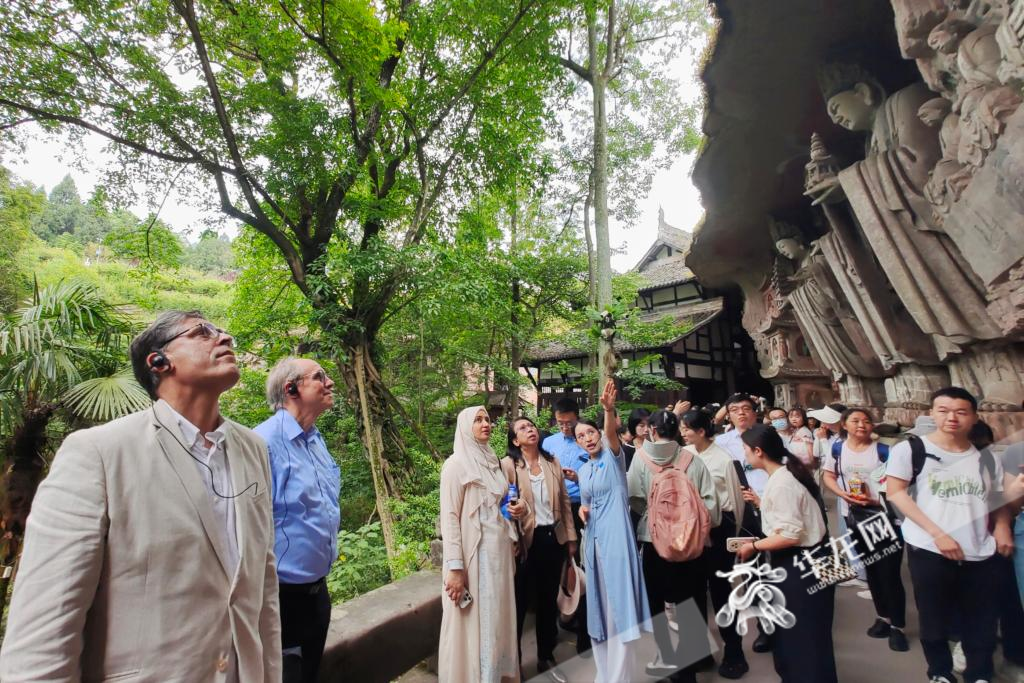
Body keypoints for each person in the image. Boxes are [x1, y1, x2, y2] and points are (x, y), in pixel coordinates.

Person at [0, 310, 281, 681]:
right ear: (158, 362)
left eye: (224, 331)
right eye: (202, 332)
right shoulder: (99, 452)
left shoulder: (253, 448)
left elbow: (263, 583)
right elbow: (44, 628)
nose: (225, 337)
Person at [886, 387, 1014, 683]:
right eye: (943, 410)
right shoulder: (911, 450)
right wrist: (938, 534)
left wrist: (1002, 525)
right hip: (929, 547)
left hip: (979, 548)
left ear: (973, 417)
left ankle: (979, 674)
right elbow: (896, 493)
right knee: (934, 617)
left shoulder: (987, 458)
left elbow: (997, 501)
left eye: (961, 411)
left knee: (981, 618)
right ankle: (940, 672)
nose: (951, 418)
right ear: (932, 413)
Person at [254, 357, 341, 683]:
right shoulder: (262, 443)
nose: (330, 382)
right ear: (291, 389)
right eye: (320, 377)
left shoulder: (316, 439)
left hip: (317, 594)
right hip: (280, 600)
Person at [736, 425, 838, 683]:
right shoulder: (784, 475)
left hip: (804, 562)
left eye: (746, 450)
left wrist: (754, 546)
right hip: (817, 556)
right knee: (810, 635)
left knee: (803, 638)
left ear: (758, 451)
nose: (744, 455)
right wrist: (761, 504)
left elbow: (790, 535)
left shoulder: (782, 482)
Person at [628, 409, 719, 682]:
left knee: (657, 603)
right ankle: (689, 667)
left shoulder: (640, 459)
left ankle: (665, 657)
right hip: (691, 545)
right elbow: (712, 509)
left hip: (654, 544)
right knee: (690, 603)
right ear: (678, 431)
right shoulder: (693, 460)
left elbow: (634, 498)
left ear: (652, 431)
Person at [577, 380, 652, 682]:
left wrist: (608, 410)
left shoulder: (613, 458)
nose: (587, 438)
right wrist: (583, 510)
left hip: (617, 542)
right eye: (581, 436)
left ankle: (620, 677)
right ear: (578, 443)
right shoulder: (583, 471)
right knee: (599, 613)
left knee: (619, 611)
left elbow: (611, 435)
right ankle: (605, 673)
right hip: (593, 545)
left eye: (590, 432)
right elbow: (585, 503)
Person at [439, 407, 519, 683]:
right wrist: (454, 567)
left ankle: (496, 676)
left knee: (498, 620)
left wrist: (514, 522)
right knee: (478, 623)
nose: (486, 424)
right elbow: (449, 517)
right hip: (475, 557)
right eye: (478, 420)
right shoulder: (455, 465)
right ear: (465, 426)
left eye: (487, 419)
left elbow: (498, 507)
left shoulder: (493, 461)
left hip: (500, 554)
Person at [822, 408, 908, 652]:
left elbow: (898, 484)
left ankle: (898, 627)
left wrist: (876, 501)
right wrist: (842, 495)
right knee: (871, 570)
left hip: (883, 517)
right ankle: (883, 617)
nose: (862, 424)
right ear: (844, 424)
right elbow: (829, 475)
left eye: (867, 420)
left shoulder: (883, 450)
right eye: (855, 420)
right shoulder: (838, 448)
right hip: (855, 516)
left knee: (889, 573)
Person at [502, 417, 577, 683]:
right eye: (522, 428)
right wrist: (513, 512)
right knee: (520, 604)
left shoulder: (552, 461)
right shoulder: (509, 465)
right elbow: (501, 504)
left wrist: (570, 538)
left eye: (531, 426)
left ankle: (546, 654)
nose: (530, 430)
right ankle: (515, 662)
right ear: (514, 440)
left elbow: (566, 502)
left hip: (551, 538)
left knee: (548, 601)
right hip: (524, 543)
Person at [681, 409, 750, 679]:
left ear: (701, 431)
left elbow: (736, 501)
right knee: (693, 591)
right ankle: (700, 651)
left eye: (687, 428)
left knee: (721, 593)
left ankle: (735, 653)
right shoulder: (685, 454)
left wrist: (724, 533)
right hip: (691, 530)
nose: (683, 432)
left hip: (719, 530)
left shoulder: (724, 459)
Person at [542, 395, 592, 653]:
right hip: (555, 510)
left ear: (577, 417)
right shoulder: (549, 442)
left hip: (581, 508)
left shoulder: (587, 440)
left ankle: (584, 630)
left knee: (582, 567)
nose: (565, 428)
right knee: (556, 567)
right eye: (560, 423)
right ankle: (561, 618)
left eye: (569, 423)